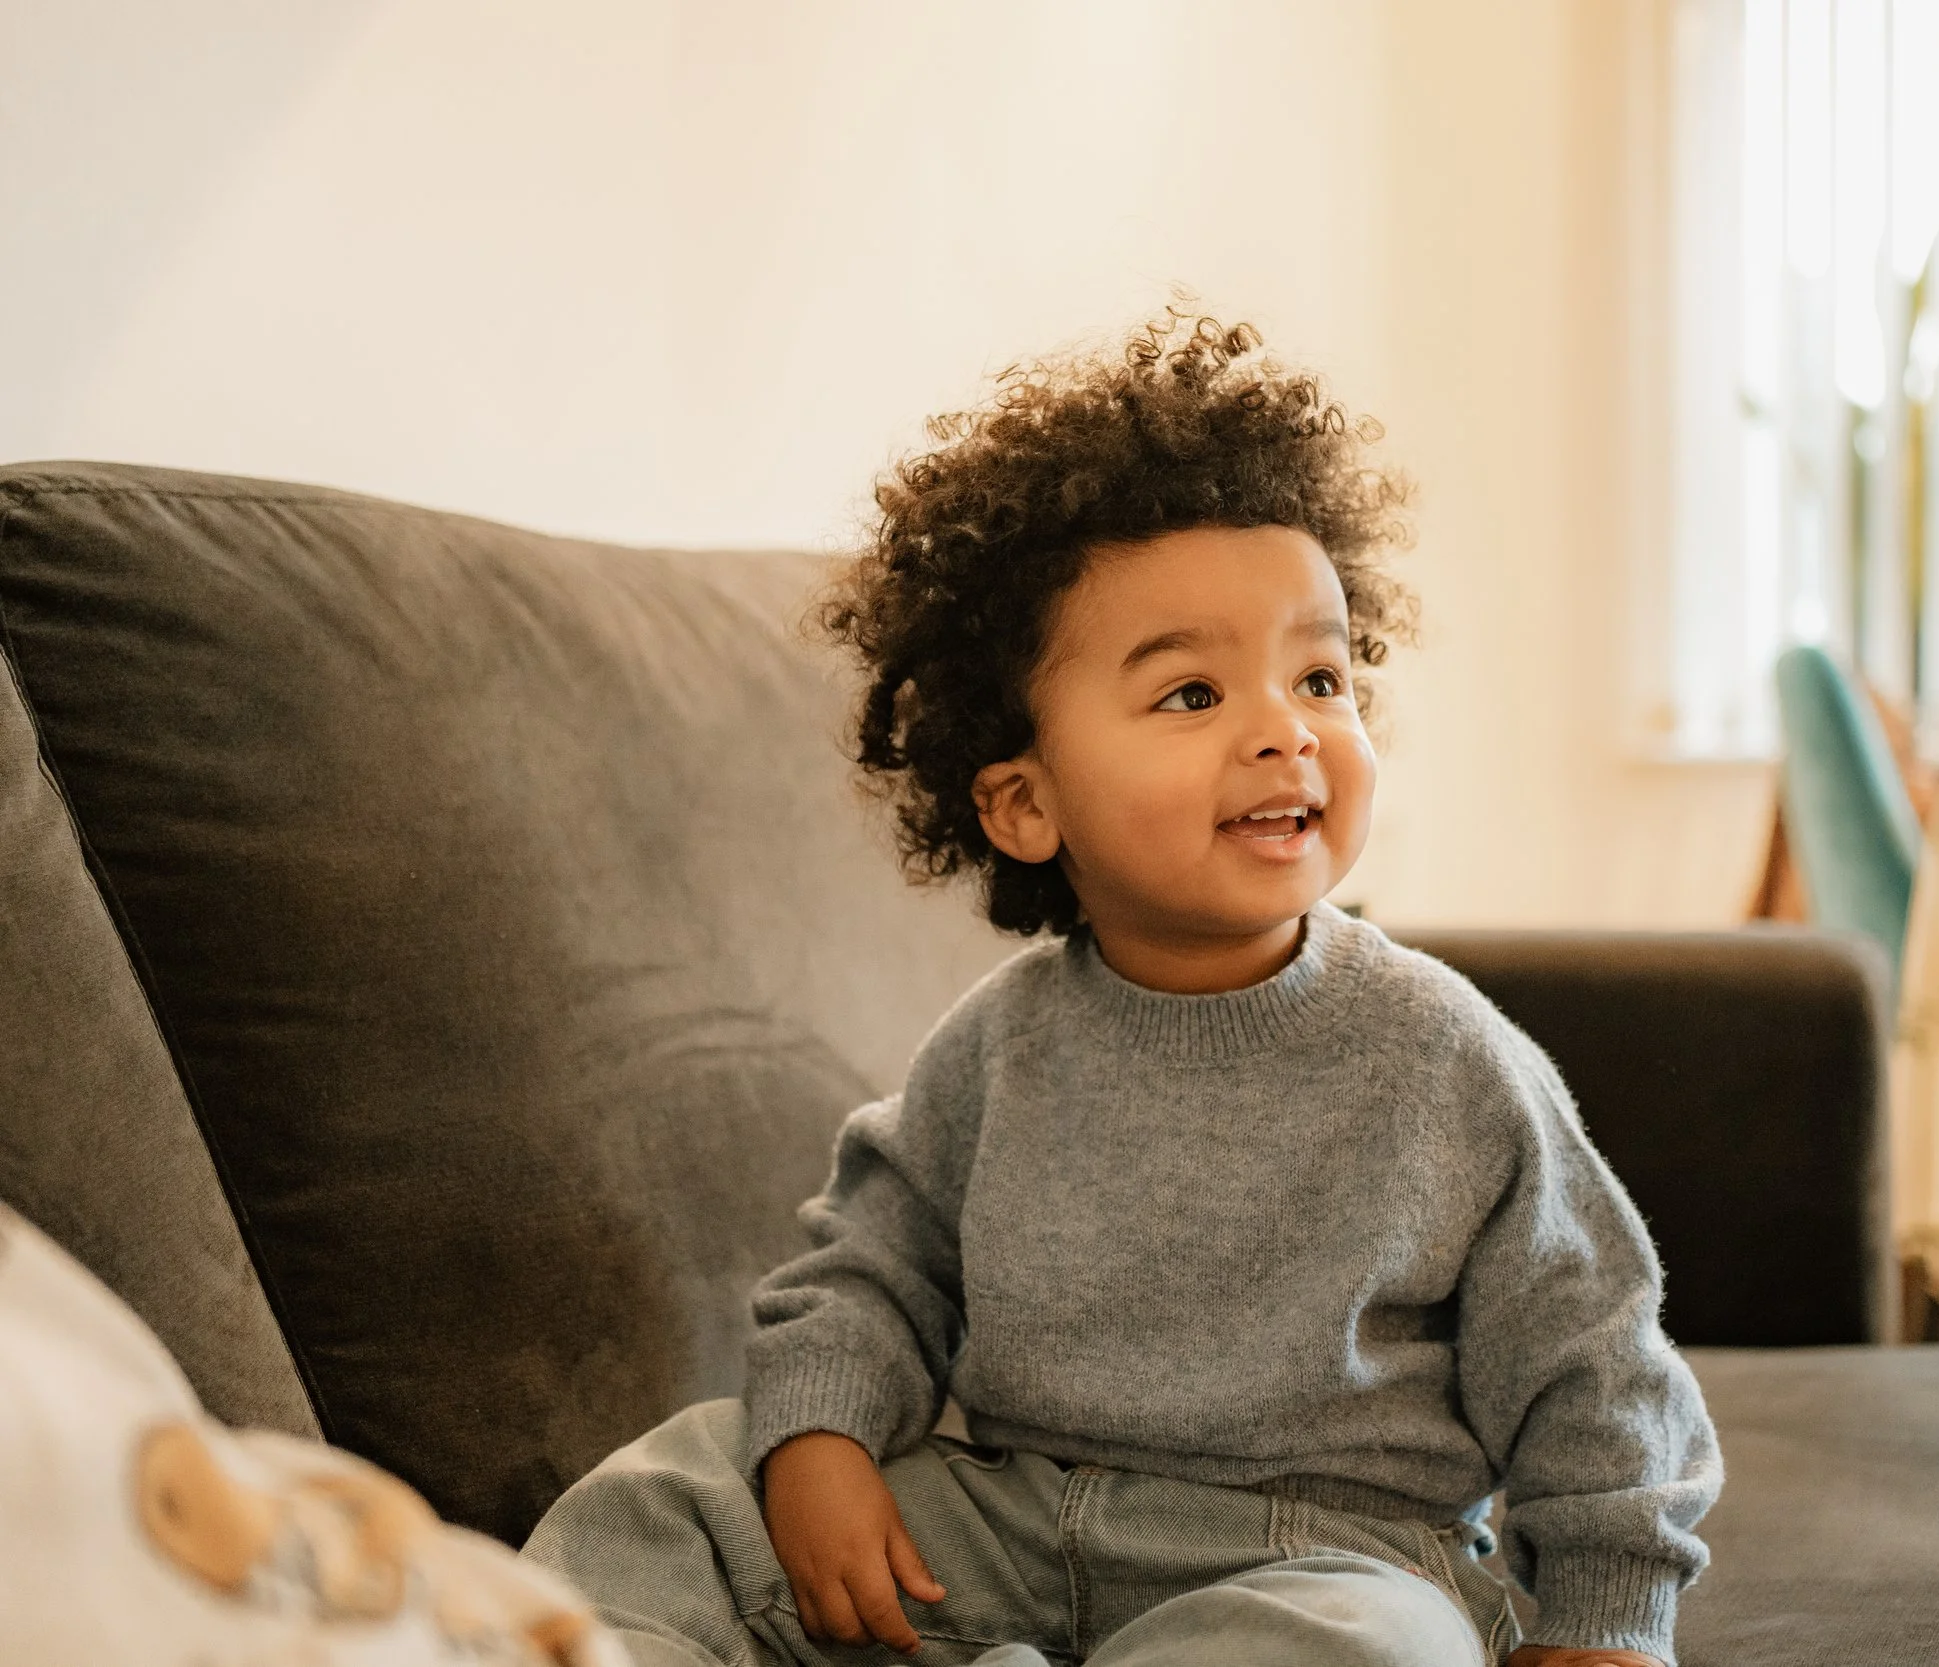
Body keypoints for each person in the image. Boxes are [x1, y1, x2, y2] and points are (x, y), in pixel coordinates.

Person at [525, 311, 1720, 1667]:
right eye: (1192, 693)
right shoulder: (998, 1044)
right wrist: (818, 1439)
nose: (1287, 727)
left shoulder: (1440, 1052)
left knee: (1375, 1647)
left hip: (1324, 1553)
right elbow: (870, 1268)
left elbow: (1592, 1357)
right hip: (1010, 1522)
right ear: (1026, 802)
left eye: (1321, 674)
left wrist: (1613, 1618)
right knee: (675, 1488)